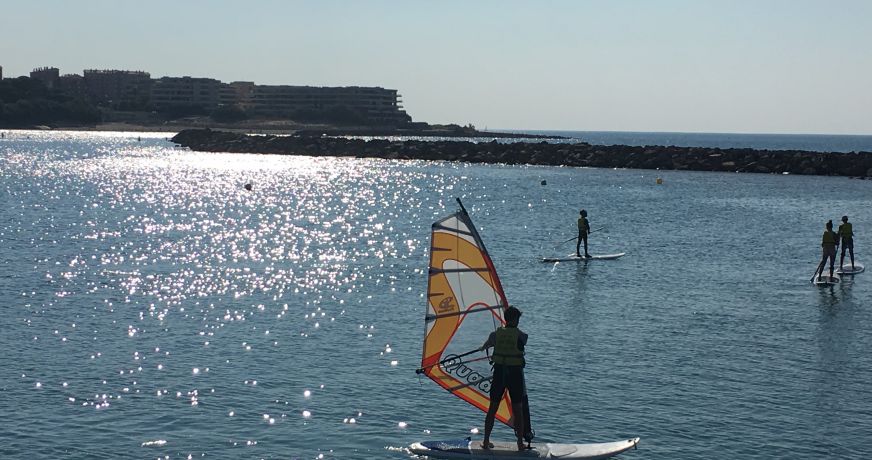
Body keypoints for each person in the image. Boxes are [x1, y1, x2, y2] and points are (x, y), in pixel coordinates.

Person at [480, 306, 529, 451]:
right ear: (515, 319)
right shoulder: (521, 335)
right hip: (514, 375)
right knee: (518, 409)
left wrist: (485, 346)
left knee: (492, 408)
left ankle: (486, 441)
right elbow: (523, 341)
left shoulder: (495, 335)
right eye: (518, 319)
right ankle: (520, 443)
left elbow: (485, 346)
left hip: (499, 374)